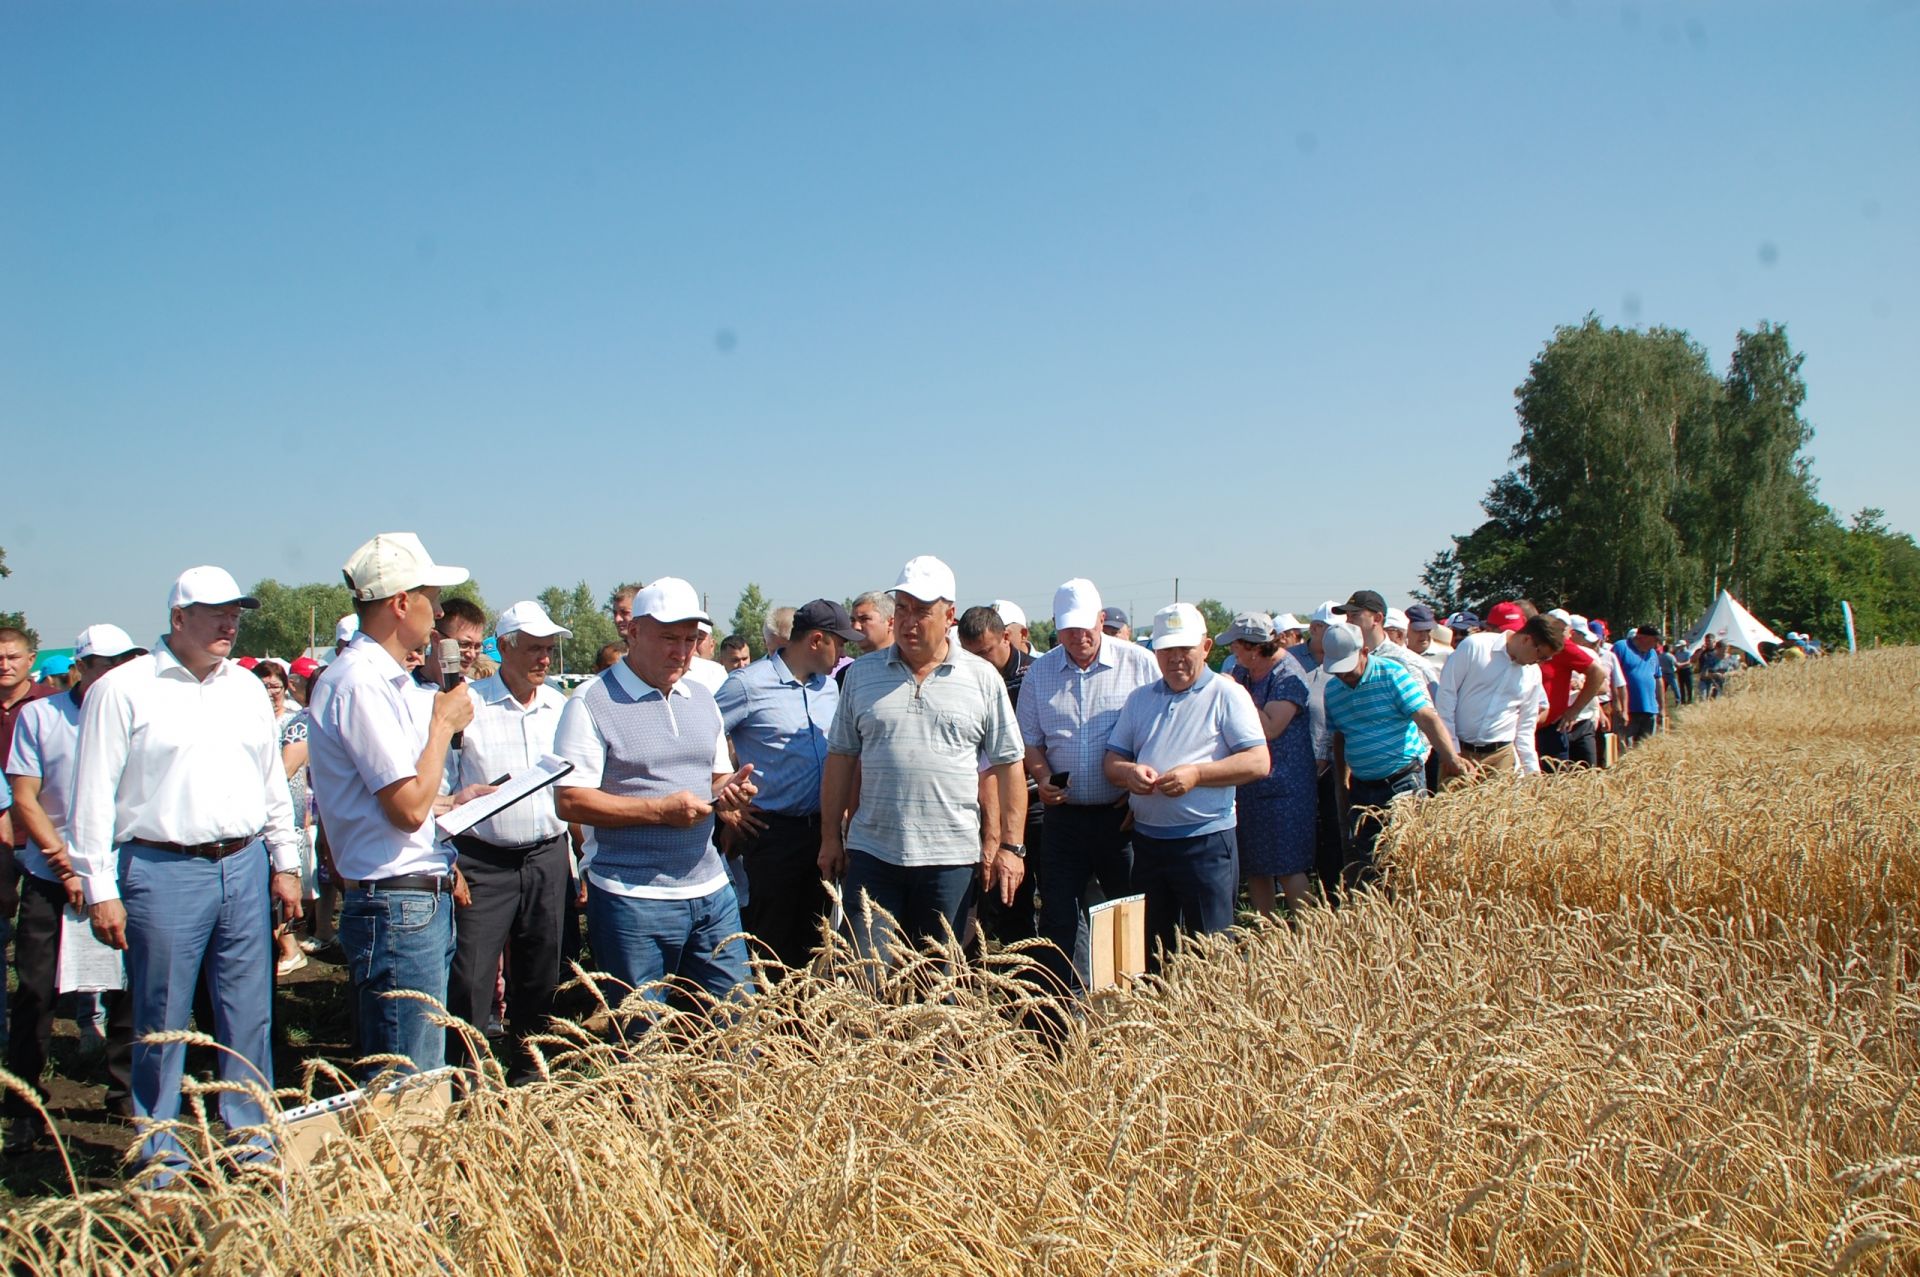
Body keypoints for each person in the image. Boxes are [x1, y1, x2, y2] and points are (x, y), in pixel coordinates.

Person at [67, 567, 305, 1183]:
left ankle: (252, 1140)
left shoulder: (247, 690)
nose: (230, 623)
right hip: (162, 865)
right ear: (179, 618)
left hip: (243, 862)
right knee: (163, 1014)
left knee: (248, 1012)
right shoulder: (123, 690)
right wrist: (101, 889)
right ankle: (160, 1151)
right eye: (216, 613)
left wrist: (285, 862)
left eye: (236, 613)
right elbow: (91, 797)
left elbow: (269, 782)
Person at [306, 533, 484, 1074]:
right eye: (431, 599)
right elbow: (404, 807)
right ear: (401, 603)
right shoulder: (360, 684)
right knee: (408, 1078)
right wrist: (441, 725)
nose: (438, 616)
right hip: (397, 904)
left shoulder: (384, 681)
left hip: (410, 898)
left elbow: (411, 800)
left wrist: (452, 801)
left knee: (418, 1065)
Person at [553, 578, 758, 1007]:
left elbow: (716, 777)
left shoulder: (701, 698)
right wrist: (659, 811)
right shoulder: (591, 702)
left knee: (739, 1023)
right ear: (633, 632)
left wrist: (731, 794)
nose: (680, 651)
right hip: (632, 897)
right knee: (645, 1036)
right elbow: (570, 799)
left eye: (690, 640)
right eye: (668, 637)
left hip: (710, 888)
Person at [820, 556, 1026, 963]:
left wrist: (1010, 846)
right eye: (902, 609)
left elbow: (1008, 765)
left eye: (922, 611)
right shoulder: (862, 676)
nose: (908, 622)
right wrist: (830, 837)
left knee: (940, 983)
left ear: (949, 615)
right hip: (874, 856)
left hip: (950, 861)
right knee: (871, 980)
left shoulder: (982, 679)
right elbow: (841, 759)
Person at [4, 624, 143, 1150]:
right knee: (37, 991)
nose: (112, 673)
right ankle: (23, 1105)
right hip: (50, 874)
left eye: (121, 663)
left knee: (127, 989)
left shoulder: (134, 715)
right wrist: (65, 866)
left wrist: (99, 872)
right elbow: (25, 795)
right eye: (102, 664)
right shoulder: (41, 716)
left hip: (118, 871)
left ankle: (126, 1096)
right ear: (79, 669)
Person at [443, 600, 573, 1081]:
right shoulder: (468, 705)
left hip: (546, 854)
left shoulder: (561, 707)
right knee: (472, 976)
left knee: (543, 971)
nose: (544, 658)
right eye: (534, 648)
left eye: (549, 648)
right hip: (484, 861)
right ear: (506, 649)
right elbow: (444, 785)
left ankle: (532, 1072)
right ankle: (467, 1079)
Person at [1103, 603, 1269, 967]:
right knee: (1152, 953)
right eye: (1166, 650)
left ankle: (1210, 1021)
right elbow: (1112, 762)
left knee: (1209, 951)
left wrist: (1197, 775)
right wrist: (1129, 772)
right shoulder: (1141, 699)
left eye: (1185, 649)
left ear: (1206, 647)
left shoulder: (1227, 695)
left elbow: (1258, 761)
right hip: (1148, 844)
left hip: (1205, 844)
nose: (1175, 658)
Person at [1016, 578, 1159, 991]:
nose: (1078, 637)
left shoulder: (1138, 663)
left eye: (1085, 627)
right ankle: (1061, 1007)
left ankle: (1132, 999)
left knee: (1126, 911)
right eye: (1068, 629)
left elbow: (1155, 734)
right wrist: (1042, 778)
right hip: (1064, 817)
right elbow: (1031, 741)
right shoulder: (1040, 673)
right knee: (1059, 915)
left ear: (1101, 620)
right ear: (1055, 627)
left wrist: (1140, 797)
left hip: (1121, 816)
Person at [714, 599, 852, 975]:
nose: (843, 654)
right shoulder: (746, 685)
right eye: (840, 644)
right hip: (772, 835)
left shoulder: (829, 689)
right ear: (816, 640)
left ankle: (808, 1025)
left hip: (822, 834)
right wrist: (721, 796)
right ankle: (773, 1023)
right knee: (773, 943)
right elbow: (699, 742)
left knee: (818, 940)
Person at [1319, 622, 1466, 893]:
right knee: (1368, 863)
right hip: (1362, 789)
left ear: (1364, 651)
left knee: (1404, 859)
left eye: (1348, 669)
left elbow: (1426, 717)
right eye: (1337, 670)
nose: (1344, 676)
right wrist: (1342, 784)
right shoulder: (1333, 691)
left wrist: (1451, 759)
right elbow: (1339, 738)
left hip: (1402, 781)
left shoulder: (1392, 674)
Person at [1221, 613, 1317, 916]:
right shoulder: (1244, 670)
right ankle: (1267, 934)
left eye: (1236, 646)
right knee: (1256, 865)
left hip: (1285, 787)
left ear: (1253, 647)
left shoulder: (1289, 676)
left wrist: (1238, 693)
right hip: (1252, 785)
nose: (1232, 653)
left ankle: (1308, 934)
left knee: (1288, 865)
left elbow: (1272, 727)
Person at [957, 605, 1040, 946]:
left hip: (1036, 800)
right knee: (1004, 898)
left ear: (1007, 637)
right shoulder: (966, 680)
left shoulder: (1035, 675)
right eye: (971, 654)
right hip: (989, 800)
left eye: (986, 652)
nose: (980, 661)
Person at [1433, 614, 1570, 780]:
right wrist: (1451, 751)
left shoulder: (1532, 674)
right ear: (1527, 639)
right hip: (1461, 752)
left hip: (1501, 758)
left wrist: (1532, 771)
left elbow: (1526, 726)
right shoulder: (1475, 646)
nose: (1540, 662)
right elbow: (1446, 697)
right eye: (1541, 656)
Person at [1530, 609, 1608, 768]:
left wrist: (1574, 710)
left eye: (1562, 627)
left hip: (1551, 729)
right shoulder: (1523, 642)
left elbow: (1598, 674)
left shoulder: (1563, 647)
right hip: (1522, 729)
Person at [1611, 626, 1667, 746]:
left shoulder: (1652, 653)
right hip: (1629, 709)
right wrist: (1618, 705)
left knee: (1645, 749)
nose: (1657, 644)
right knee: (1625, 748)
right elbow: (1612, 677)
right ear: (1642, 638)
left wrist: (1662, 707)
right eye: (1655, 640)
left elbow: (1658, 678)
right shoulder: (1621, 647)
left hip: (1649, 709)